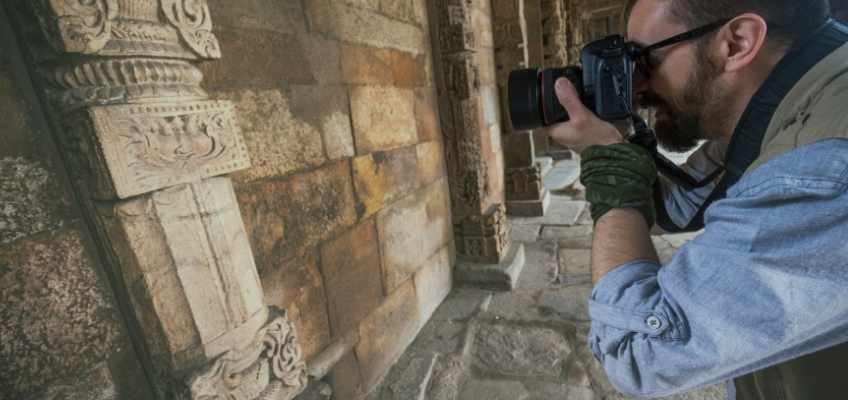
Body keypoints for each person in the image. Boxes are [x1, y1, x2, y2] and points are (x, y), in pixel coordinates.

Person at [544, 0, 848, 398]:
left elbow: (641, 353)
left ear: (737, 43)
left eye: (644, 61)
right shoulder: (797, 94)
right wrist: (620, 140)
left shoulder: (820, 169)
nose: (638, 85)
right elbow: (681, 204)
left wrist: (610, 174)